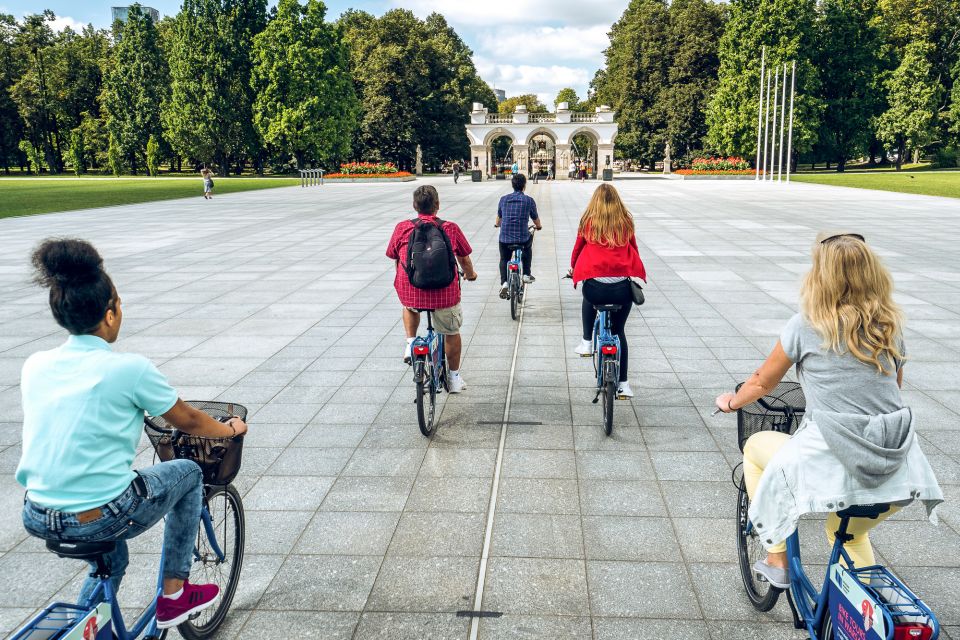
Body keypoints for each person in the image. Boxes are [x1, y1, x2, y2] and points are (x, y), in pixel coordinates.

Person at [16, 238, 248, 629]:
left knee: (112, 562)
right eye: (119, 304)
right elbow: (188, 420)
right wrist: (228, 430)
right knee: (189, 473)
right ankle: (175, 593)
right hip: (98, 514)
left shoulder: (35, 364)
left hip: (38, 511)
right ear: (109, 315)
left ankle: (87, 628)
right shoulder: (129, 369)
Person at [715, 232, 943, 589]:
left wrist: (730, 401)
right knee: (846, 533)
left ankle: (776, 557)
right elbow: (891, 389)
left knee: (756, 447)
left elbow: (762, 382)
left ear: (820, 276)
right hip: (899, 461)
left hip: (832, 451)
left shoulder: (805, 325)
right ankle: (868, 605)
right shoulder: (890, 326)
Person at [386, 185, 478, 393]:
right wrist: (470, 274)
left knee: (409, 307)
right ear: (437, 205)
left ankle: (410, 342)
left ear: (414, 205)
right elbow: (463, 258)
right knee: (452, 331)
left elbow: (394, 255)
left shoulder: (402, 228)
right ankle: (453, 379)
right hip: (444, 294)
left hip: (412, 291)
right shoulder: (450, 228)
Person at [570, 184, 646, 398]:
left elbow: (577, 249)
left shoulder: (588, 221)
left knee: (588, 296)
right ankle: (624, 384)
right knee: (619, 332)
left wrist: (573, 267)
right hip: (622, 289)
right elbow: (634, 250)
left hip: (596, 288)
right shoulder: (626, 221)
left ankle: (586, 342)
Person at [496, 173, 542, 299]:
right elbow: (536, 219)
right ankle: (526, 274)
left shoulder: (503, 199)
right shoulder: (529, 200)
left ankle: (504, 283)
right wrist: (538, 226)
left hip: (505, 238)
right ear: (524, 186)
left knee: (504, 259)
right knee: (528, 246)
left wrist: (497, 225)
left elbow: (498, 220)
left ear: (512, 185)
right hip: (522, 237)